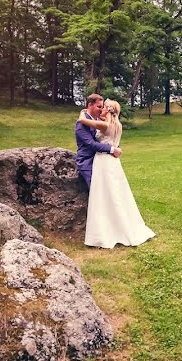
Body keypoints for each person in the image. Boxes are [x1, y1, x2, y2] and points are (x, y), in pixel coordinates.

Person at [76, 98, 155, 249]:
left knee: (103, 196)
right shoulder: (117, 125)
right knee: (116, 193)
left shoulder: (104, 125)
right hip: (112, 163)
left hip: (103, 162)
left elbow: (83, 121)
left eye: (103, 107)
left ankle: (106, 231)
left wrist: (82, 112)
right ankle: (120, 225)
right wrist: (114, 149)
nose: (101, 110)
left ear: (109, 110)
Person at [75, 93, 121, 189]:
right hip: (88, 161)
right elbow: (91, 144)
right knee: (96, 190)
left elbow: (109, 137)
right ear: (90, 105)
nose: (101, 109)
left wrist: (116, 147)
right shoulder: (81, 124)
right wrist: (112, 149)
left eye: (102, 107)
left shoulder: (101, 120)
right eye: (99, 106)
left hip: (102, 160)